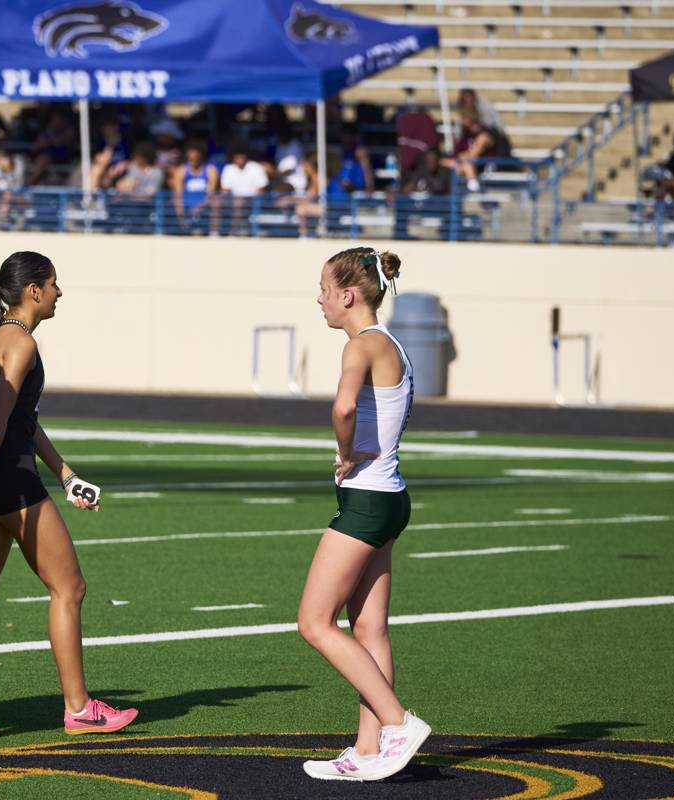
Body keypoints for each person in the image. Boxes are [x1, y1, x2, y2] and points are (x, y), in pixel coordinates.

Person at [0, 252, 139, 737]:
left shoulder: (3, 337)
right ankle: (80, 709)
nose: (60, 292)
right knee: (70, 588)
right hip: (7, 480)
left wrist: (65, 474)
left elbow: (22, 421)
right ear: (34, 291)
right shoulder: (19, 342)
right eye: (54, 284)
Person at [298, 247, 430, 782]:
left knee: (314, 622)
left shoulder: (362, 345)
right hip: (390, 496)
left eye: (325, 290)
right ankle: (368, 750)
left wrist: (346, 453)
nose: (321, 300)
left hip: (367, 500)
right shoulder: (390, 343)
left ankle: (398, 722)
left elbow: (344, 407)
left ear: (348, 295)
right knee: (369, 627)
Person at [219, 142, 269, 234]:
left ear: (246, 156)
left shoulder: (256, 167)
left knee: (239, 202)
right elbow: (225, 191)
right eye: (237, 157)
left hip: (253, 201)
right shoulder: (228, 169)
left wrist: (249, 201)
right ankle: (215, 232)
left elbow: (261, 191)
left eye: (241, 156)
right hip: (233, 201)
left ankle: (234, 231)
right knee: (217, 202)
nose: (239, 159)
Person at [171, 139, 219, 231]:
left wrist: (199, 207)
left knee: (216, 202)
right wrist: (182, 210)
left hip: (205, 203)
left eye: (196, 156)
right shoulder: (181, 170)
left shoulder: (210, 170)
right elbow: (178, 193)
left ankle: (214, 232)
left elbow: (211, 193)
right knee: (176, 200)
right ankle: (183, 227)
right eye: (191, 157)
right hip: (187, 203)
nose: (193, 158)